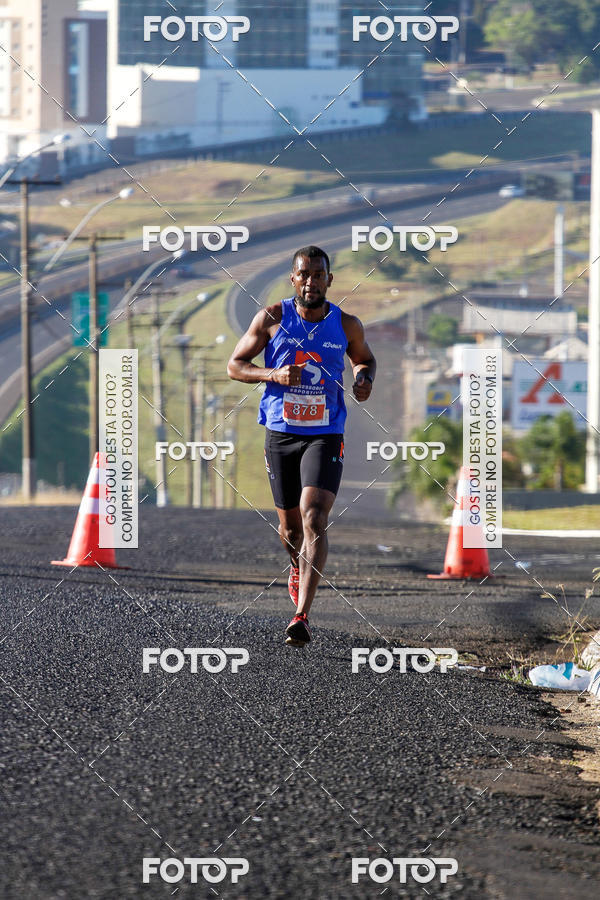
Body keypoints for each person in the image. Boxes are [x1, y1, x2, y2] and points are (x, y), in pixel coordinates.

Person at [227, 245, 376, 646]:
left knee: (314, 517)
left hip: (326, 432)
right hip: (281, 432)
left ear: (330, 280)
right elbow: (235, 365)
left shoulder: (346, 324)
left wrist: (363, 378)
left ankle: (302, 616)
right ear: (293, 279)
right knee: (291, 529)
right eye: (303, 274)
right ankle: (297, 565)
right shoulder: (273, 318)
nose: (311, 281)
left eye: (318, 274)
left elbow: (364, 359)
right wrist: (272, 375)